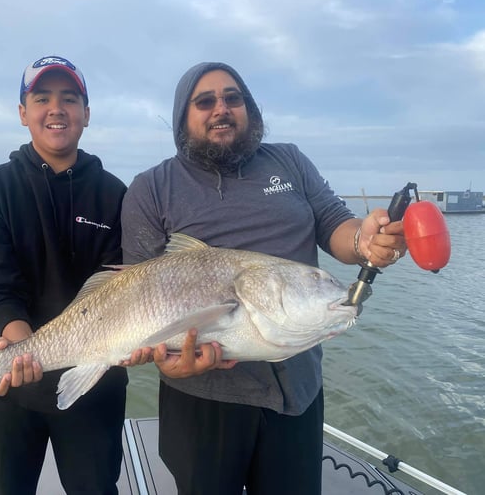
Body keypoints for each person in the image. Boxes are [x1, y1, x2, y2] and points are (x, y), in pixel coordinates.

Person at [120, 62, 407, 495]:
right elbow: (135, 294)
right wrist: (165, 360)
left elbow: (337, 227)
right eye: (205, 101)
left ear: (249, 108)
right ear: (183, 117)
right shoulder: (151, 188)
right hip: (204, 399)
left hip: (297, 388)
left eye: (233, 98)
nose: (221, 109)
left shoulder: (289, 160)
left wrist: (366, 241)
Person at [0, 55, 128, 495]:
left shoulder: (115, 195)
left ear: (86, 115)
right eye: (42, 98)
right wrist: (21, 349)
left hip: (96, 382)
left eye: (70, 98)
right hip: (8, 382)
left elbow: (126, 288)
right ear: (23, 113)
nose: (57, 108)